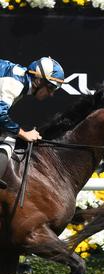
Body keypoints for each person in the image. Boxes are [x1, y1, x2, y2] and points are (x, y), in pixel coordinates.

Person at [0, 56, 64, 189]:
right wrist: (24, 134)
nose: (51, 94)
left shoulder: (21, 77)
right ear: (38, 81)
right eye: (51, 87)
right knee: (9, 139)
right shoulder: (15, 83)